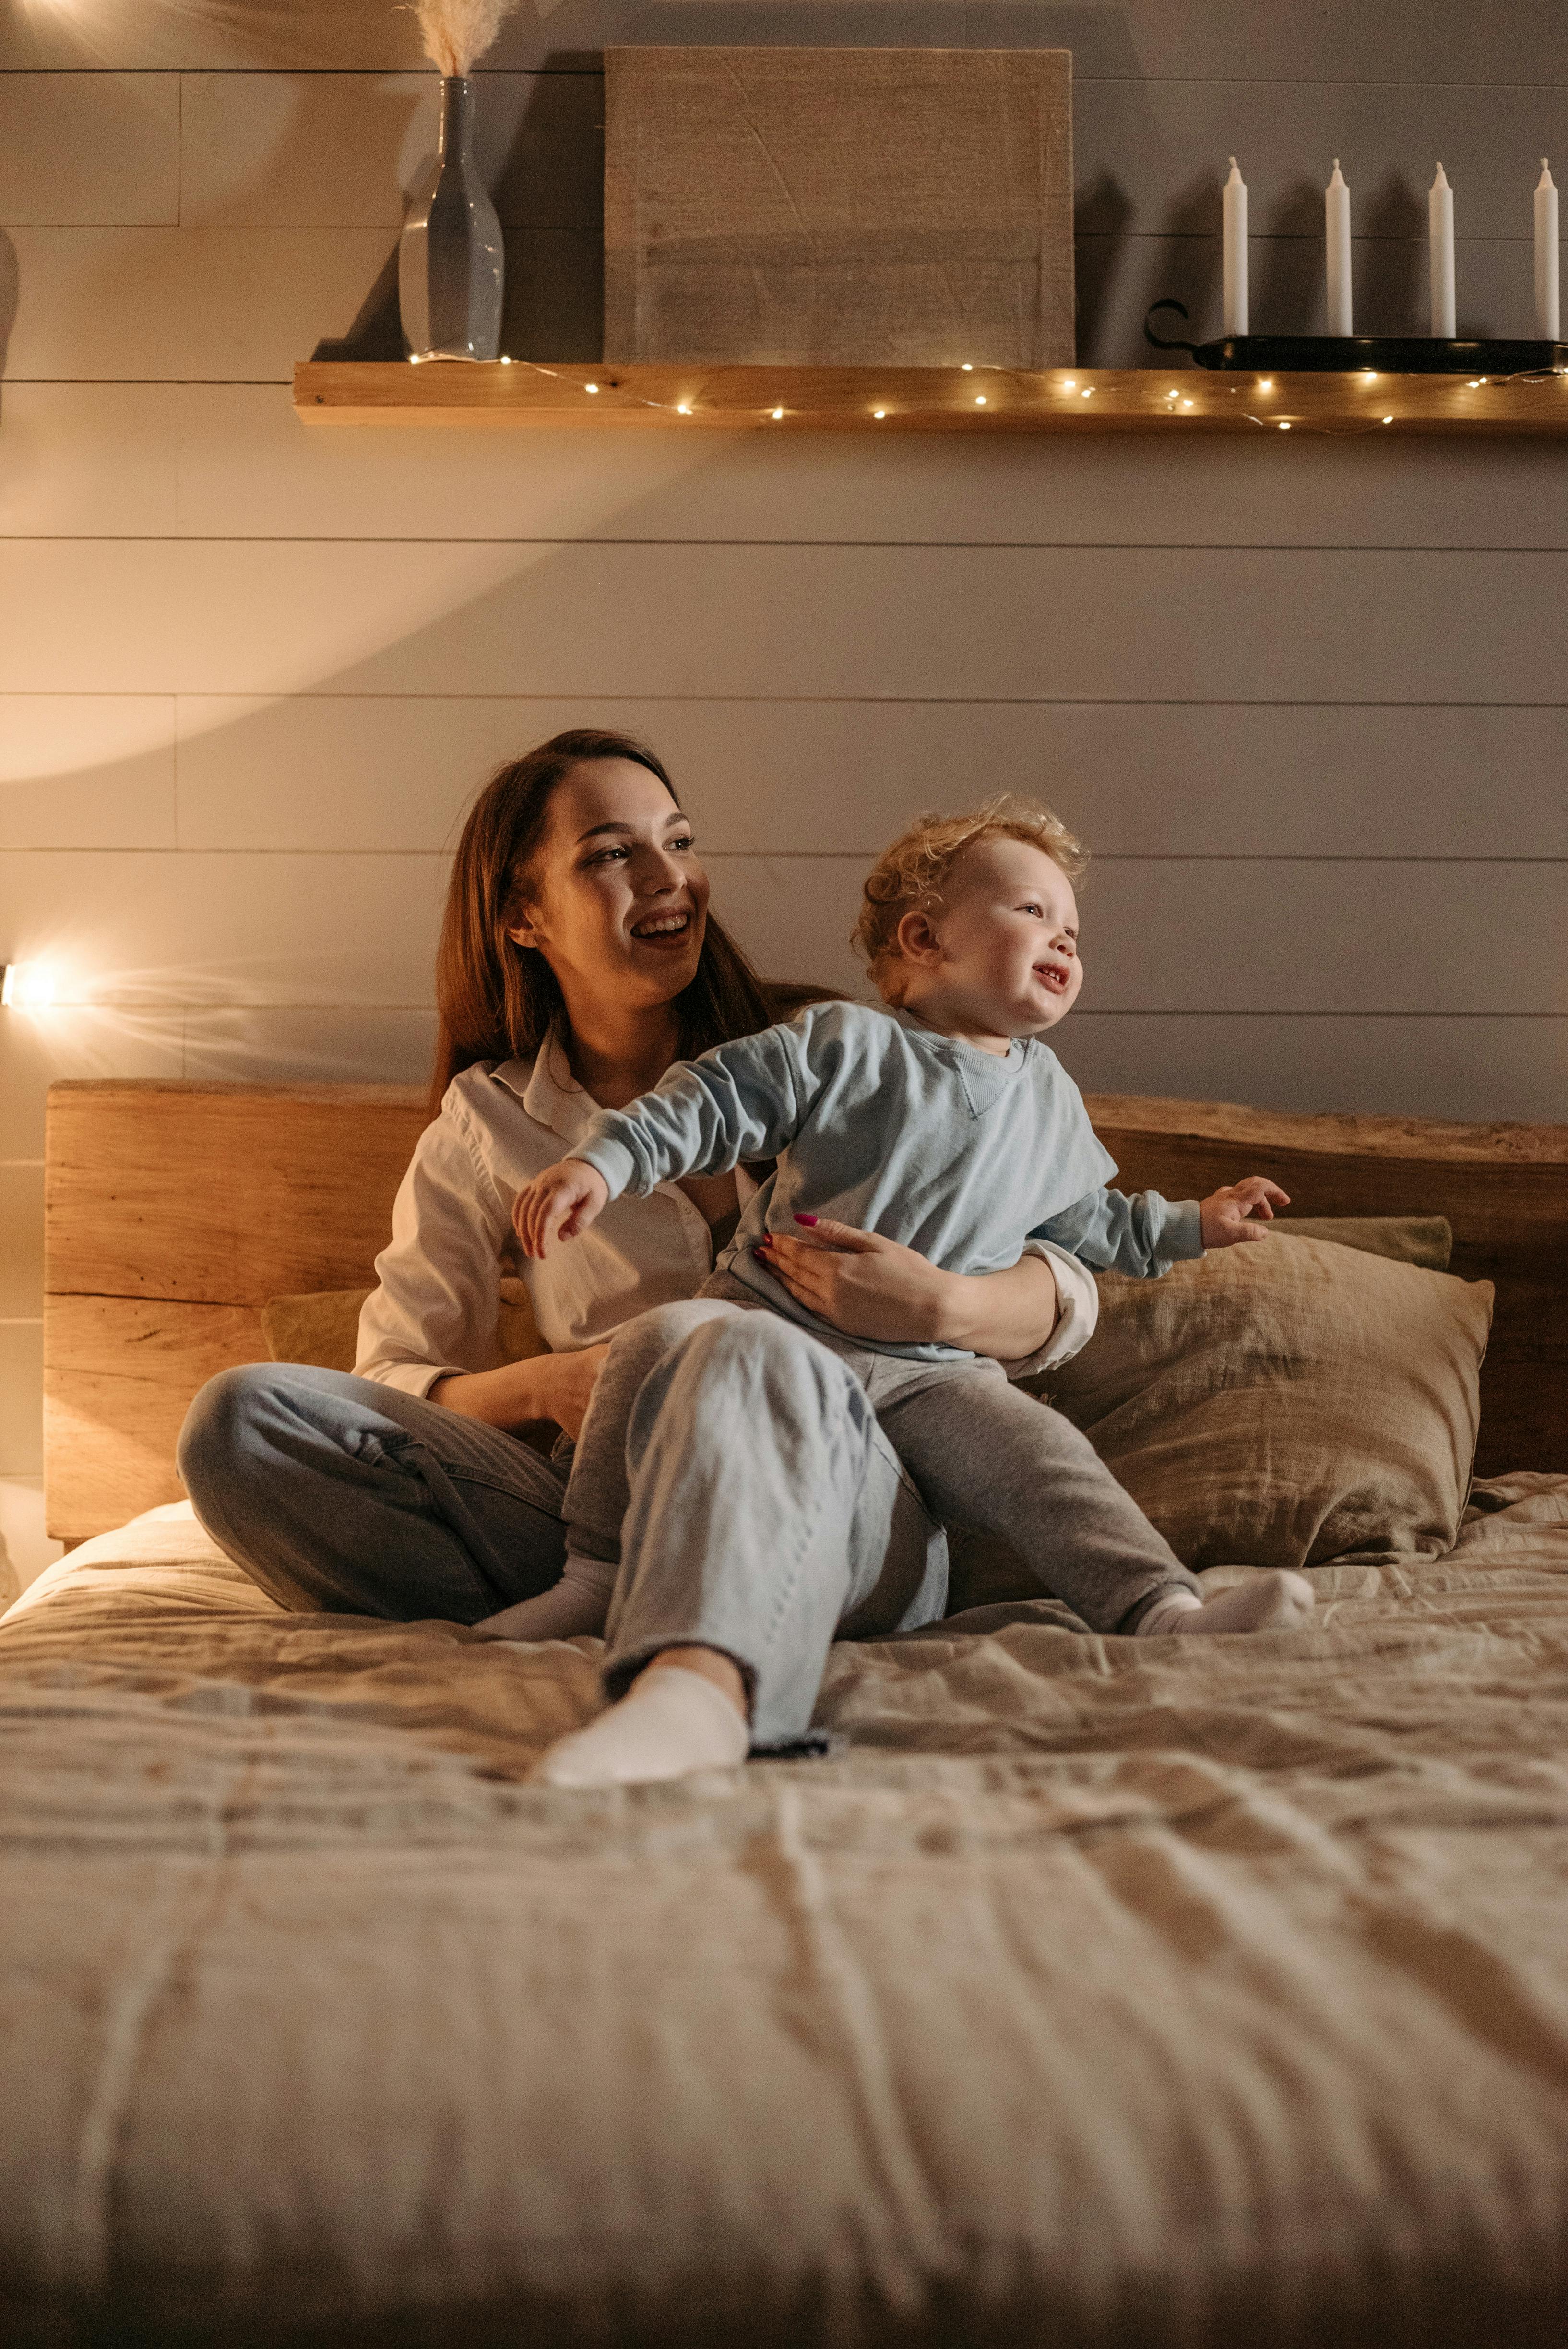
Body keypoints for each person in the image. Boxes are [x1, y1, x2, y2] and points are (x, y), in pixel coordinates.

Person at [177, 730, 1096, 1790]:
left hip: (849, 1485)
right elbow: (391, 1381)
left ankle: (701, 1683)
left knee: (738, 1348)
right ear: (522, 917)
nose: (669, 879)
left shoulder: (841, 1050)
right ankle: (652, 1588)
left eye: (679, 841)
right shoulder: (485, 1126)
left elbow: (1069, 1284)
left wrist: (944, 1302)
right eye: (611, 854)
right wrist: (557, 1384)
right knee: (240, 1423)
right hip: (595, 1517)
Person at [499, 798, 1315, 1780]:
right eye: (1028, 912)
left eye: (1071, 929)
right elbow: (709, 1101)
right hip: (769, 1325)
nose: (1061, 937)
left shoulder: (1048, 1097)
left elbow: (1086, 1227)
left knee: (1044, 1452)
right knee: (660, 1336)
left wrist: (1193, 1224)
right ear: (923, 939)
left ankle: (1161, 1610)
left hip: (930, 1374)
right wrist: (605, 1165)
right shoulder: (844, 1043)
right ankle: (595, 1569)